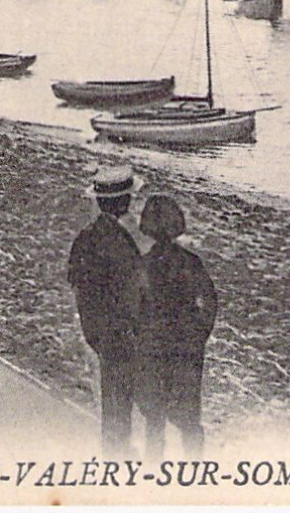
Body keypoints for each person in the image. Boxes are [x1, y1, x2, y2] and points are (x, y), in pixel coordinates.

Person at [67, 165, 146, 457]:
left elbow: (78, 285)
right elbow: (130, 291)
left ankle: (116, 447)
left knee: (114, 391)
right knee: (120, 393)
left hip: (98, 328)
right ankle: (117, 452)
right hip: (119, 330)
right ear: (124, 202)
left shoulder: (88, 236)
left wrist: (93, 330)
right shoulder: (118, 242)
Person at [136, 195, 218, 460]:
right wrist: (200, 335)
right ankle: (195, 473)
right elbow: (210, 301)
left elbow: (133, 309)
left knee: (155, 420)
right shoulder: (190, 262)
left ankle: (152, 474)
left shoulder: (144, 265)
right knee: (190, 418)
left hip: (155, 346)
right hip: (186, 347)